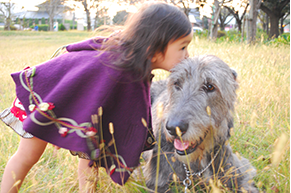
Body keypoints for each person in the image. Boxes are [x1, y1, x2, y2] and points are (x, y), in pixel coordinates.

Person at [0, 2, 193, 193]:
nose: (187, 55)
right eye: (183, 47)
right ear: (154, 49)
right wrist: (57, 124)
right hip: (43, 96)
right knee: (28, 156)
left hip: (79, 111)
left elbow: (103, 113)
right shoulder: (118, 69)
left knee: (91, 154)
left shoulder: (133, 67)